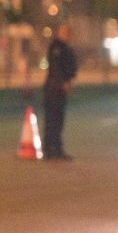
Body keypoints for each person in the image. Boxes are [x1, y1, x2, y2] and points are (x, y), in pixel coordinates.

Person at [43, 24, 78, 160]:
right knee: (51, 120)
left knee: (59, 120)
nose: (67, 35)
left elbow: (71, 67)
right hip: (53, 89)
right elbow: (56, 68)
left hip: (61, 90)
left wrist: (69, 81)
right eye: (65, 32)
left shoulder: (67, 48)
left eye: (69, 33)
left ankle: (57, 149)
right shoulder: (55, 47)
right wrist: (63, 82)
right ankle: (49, 150)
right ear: (60, 33)